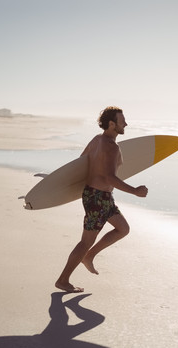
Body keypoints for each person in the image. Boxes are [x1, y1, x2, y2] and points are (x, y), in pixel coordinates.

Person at [55, 106, 148, 293]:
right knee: (85, 241)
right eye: (122, 121)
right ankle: (63, 280)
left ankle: (89, 257)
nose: (126, 124)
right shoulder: (112, 147)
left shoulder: (97, 140)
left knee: (123, 229)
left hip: (98, 196)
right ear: (112, 124)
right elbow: (109, 178)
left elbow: (81, 162)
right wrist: (135, 191)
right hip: (98, 198)